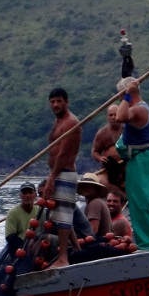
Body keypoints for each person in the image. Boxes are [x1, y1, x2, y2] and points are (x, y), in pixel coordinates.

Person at [114, 77, 149, 251]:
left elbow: (120, 116)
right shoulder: (141, 109)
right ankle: (147, 242)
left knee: (143, 205)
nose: (120, 101)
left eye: (120, 97)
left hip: (142, 161)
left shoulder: (139, 110)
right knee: (139, 204)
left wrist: (127, 95)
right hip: (140, 160)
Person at [42, 87, 82, 268]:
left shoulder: (71, 122)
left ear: (67, 102)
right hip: (58, 173)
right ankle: (77, 249)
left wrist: (52, 178)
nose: (56, 105)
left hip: (64, 172)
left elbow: (64, 154)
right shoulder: (57, 122)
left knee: (64, 216)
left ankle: (63, 258)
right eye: (53, 101)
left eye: (59, 101)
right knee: (62, 214)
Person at [91, 104, 125, 190]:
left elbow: (142, 142)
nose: (113, 117)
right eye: (111, 115)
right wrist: (100, 158)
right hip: (108, 170)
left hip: (126, 169)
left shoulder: (128, 131)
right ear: (107, 117)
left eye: (115, 114)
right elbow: (95, 152)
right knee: (101, 182)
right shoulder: (102, 133)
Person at [5, 181, 38, 257]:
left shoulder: (40, 212)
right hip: (20, 248)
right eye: (24, 193)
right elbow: (10, 237)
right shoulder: (12, 213)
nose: (27, 196)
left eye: (30, 192)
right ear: (20, 195)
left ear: (35, 195)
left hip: (37, 246)